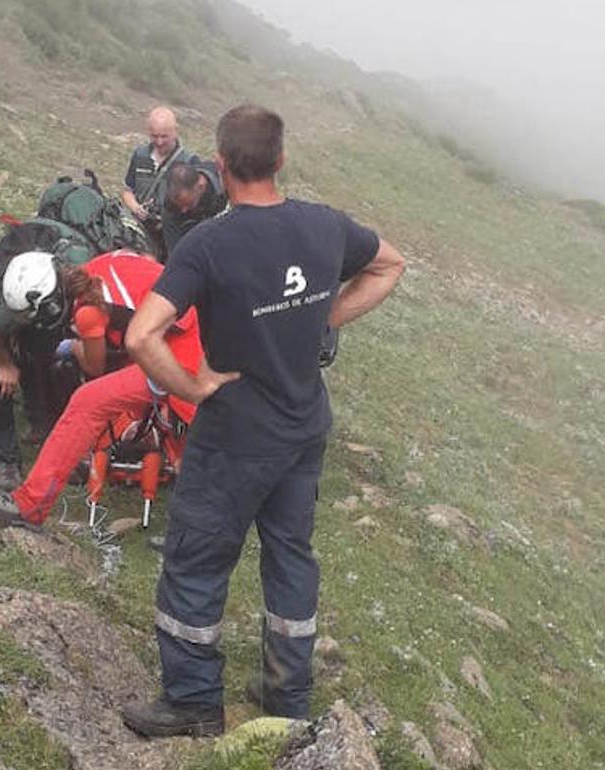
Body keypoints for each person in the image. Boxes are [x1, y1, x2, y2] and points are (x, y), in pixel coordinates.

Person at [120, 105, 406, 737]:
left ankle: (194, 702)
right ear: (281, 160)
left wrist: (192, 385)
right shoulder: (325, 226)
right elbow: (389, 264)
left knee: (196, 559)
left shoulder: (208, 244)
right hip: (304, 430)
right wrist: (326, 314)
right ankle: (286, 695)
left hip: (234, 438)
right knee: (290, 555)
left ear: (219, 167)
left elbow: (142, 336)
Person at [0, 249, 201, 529]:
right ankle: (194, 519)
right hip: (185, 329)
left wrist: (74, 347)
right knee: (183, 435)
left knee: (88, 401)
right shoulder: (96, 268)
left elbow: (94, 367)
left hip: (179, 350)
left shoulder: (88, 310)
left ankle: (31, 504)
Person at [0, 224, 82, 491]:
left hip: (29, 310)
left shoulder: (61, 276)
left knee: (40, 358)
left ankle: (42, 426)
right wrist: (4, 363)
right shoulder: (11, 301)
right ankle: (5, 460)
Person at [121, 106, 195, 262]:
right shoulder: (140, 155)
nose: (159, 142)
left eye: (164, 136)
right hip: (140, 234)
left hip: (171, 238)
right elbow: (127, 190)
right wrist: (135, 207)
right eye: (154, 136)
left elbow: (195, 206)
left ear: (175, 131)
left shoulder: (189, 161)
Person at [160, 161, 228, 256]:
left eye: (189, 204)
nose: (184, 210)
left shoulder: (227, 183)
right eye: (180, 206)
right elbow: (175, 251)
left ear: (201, 187)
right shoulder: (171, 207)